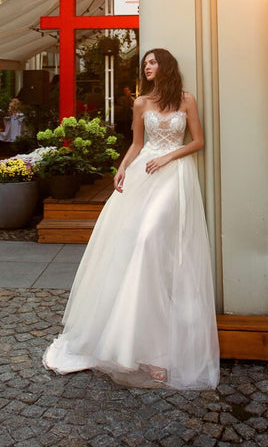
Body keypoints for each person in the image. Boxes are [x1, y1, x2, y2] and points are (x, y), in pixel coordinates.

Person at [43, 48, 220, 389]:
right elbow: (137, 144)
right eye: (145, 64)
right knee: (135, 244)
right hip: (144, 172)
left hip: (174, 174)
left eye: (153, 62)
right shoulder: (141, 103)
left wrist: (169, 156)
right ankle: (136, 342)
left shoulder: (186, 99)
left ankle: (161, 346)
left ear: (166, 65)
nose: (148, 67)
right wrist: (122, 168)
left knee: (150, 238)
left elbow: (198, 142)